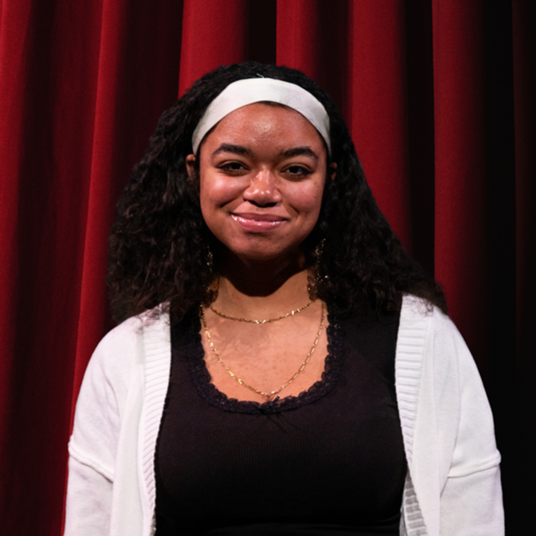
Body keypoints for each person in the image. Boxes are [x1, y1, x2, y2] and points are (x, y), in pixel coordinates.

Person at [64, 62, 503, 536]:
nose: (263, 191)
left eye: (295, 170)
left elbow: (470, 515)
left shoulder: (420, 339)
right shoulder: (127, 354)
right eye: (234, 166)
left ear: (329, 180)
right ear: (194, 174)